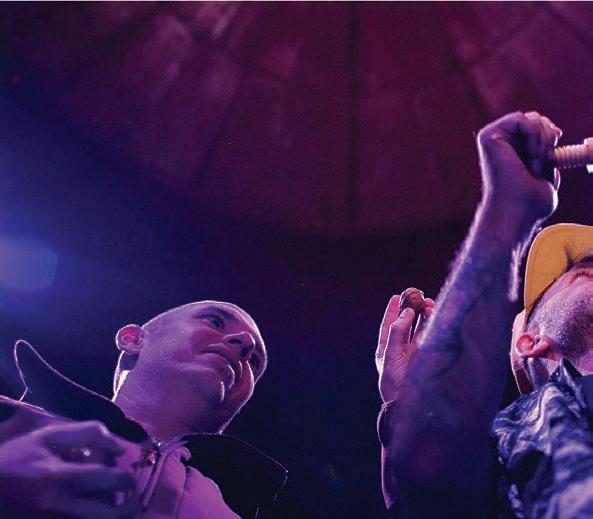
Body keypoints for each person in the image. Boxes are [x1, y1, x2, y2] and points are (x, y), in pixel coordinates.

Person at [374, 111, 576, 517]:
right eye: (579, 273)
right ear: (530, 343)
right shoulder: (508, 449)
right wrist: (410, 399)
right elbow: (427, 497)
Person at [0, 300, 287, 518]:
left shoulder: (264, 509)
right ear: (133, 339)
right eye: (214, 321)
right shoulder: (10, 422)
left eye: (253, 361)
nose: (245, 344)